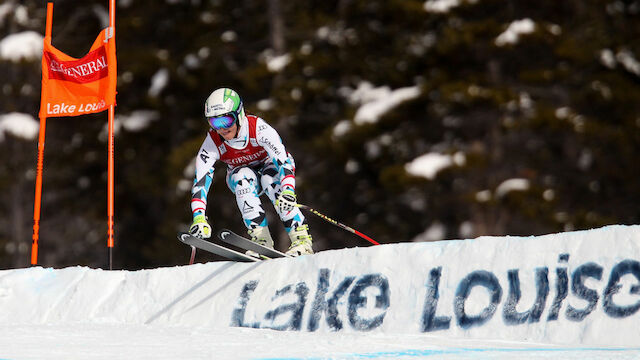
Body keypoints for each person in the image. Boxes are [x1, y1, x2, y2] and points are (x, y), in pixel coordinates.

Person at [188, 88, 313, 256]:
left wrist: (288, 190)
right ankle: (262, 241)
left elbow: (283, 160)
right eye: (215, 123)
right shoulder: (213, 141)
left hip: (272, 169)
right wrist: (199, 217)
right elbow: (201, 182)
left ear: (239, 115)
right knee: (242, 177)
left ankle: (301, 239)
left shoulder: (258, 129)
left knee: (270, 180)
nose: (222, 129)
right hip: (242, 176)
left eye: (226, 120)